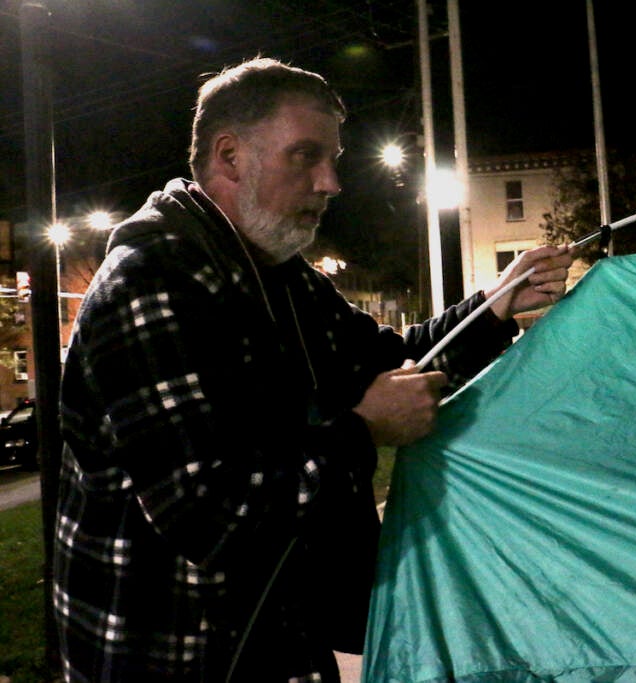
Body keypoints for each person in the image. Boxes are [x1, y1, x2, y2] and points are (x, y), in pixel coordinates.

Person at [52, 57, 574, 683]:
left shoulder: (276, 273)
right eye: (306, 156)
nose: (332, 183)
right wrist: (363, 430)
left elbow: (387, 357)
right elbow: (206, 511)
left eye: (335, 159)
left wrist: (494, 310)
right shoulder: (151, 281)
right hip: (173, 651)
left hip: (274, 632)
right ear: (229, 156)